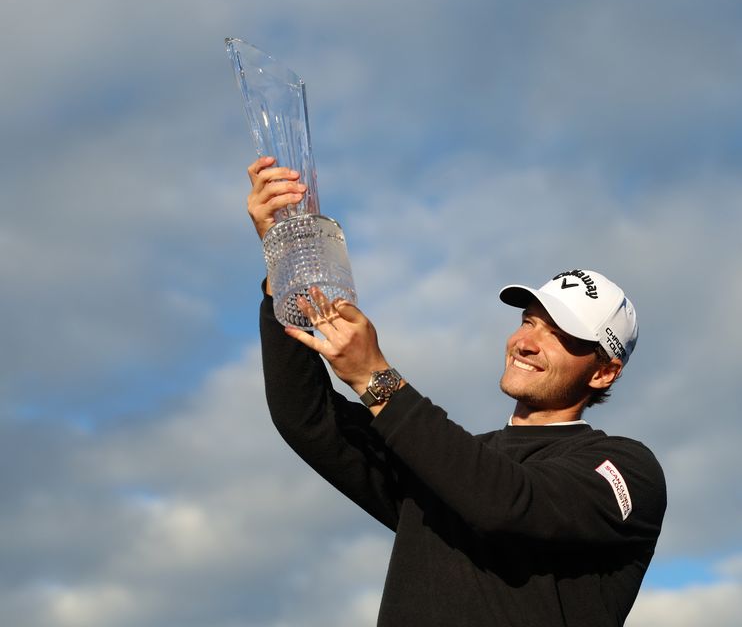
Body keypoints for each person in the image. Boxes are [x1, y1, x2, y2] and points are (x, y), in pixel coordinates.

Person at [246, 157, 667, 627]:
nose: (525, 341)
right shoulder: (446, 464)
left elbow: (508, 505)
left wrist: (375, 379)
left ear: (604, 373)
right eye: (528, 321)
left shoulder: (627, 470)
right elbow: (307, 418)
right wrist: (285, 264)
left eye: (559, 332)